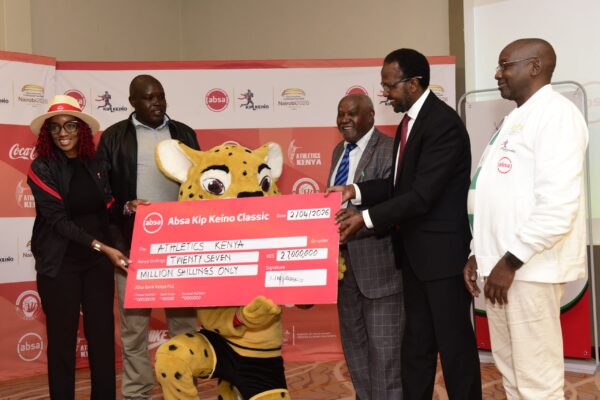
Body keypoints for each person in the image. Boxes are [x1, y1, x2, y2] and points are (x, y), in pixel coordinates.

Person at [327, 48, 482, 399]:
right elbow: (400, 185)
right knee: (416, 349)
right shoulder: (408, 123)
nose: (385, 93)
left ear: (413, 84)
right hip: (413, 256)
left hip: (442, 259)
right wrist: (355, 190)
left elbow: (422, 196)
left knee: (455, 351)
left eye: (390, 85)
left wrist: (364, 218)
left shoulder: (442, 124)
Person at [463, 38, 588, 399]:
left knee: (537, 379)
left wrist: (510, 260)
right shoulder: (515, 118)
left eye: (505, 65)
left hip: (527, 269)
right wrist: (478, 253)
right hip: (500, 267)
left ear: (535, 67)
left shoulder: (557, 115)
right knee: (511, 373)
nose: (497, 74)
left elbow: (558, 204)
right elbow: (495, 195)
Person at [97, 75, 200, 399]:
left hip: (179, 247)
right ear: (133, 102)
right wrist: (126, 206)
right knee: (134, 330)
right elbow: (102, 192)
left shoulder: (184, 134)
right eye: (149, 98)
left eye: (161, 96)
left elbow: (201, 185)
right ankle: (136, 393)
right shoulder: (114, 137)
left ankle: (183, 390)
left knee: (185, 327)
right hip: (131, 245)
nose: (157, 103)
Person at [27, 95, 131, 400]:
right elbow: (58, 221)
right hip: (60, 264)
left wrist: (128, 209)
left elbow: (106, 210)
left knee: (102, 337)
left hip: (96, 263)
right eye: (55, 127)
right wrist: (102, 247)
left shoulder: (96, 163)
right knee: (62, 342)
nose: (63, 133)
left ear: (81, 129)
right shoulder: (41, 168)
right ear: (47, 133)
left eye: (70, 125)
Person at [328, 93, 404, 399]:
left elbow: (396, 205)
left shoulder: (390, 149)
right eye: (341, 113)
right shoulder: (338, 151)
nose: (345, 119)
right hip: (343, 271)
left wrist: (360, 219)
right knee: (355, 351)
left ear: (371, 115)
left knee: (386, 356)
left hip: (380, 270)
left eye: (352, 113)